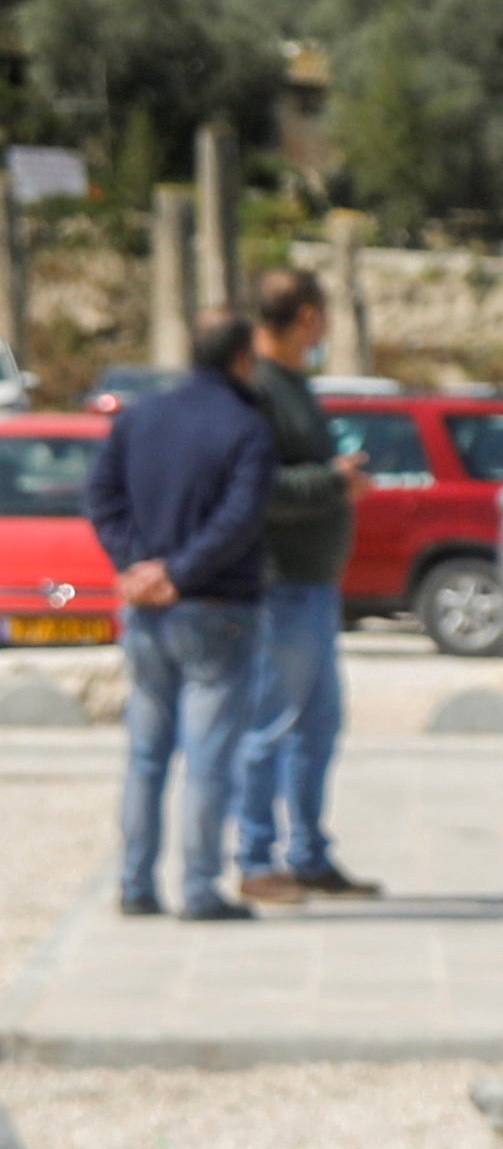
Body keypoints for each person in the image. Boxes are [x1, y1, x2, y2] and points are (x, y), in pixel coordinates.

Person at [81, 313, 276, 923]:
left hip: (148, 609)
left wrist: (138, 566)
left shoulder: (140, 416)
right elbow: (240, 517)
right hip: (216, 608)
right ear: (242, 358)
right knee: (208, 758)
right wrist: (179, 573)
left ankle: (136, 883)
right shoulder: (247, 425)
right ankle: (198, 888)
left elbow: (101, 497)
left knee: (146, 754)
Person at [230, 266, 377, 905]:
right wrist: (334, 482)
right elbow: (259, 489)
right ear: (309, 318)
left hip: (313, 588)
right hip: (282, 586)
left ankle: (309, 854)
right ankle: (255, 858)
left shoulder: (291, 385)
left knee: (318, 728)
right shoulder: (261, 389)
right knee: (268, 729)